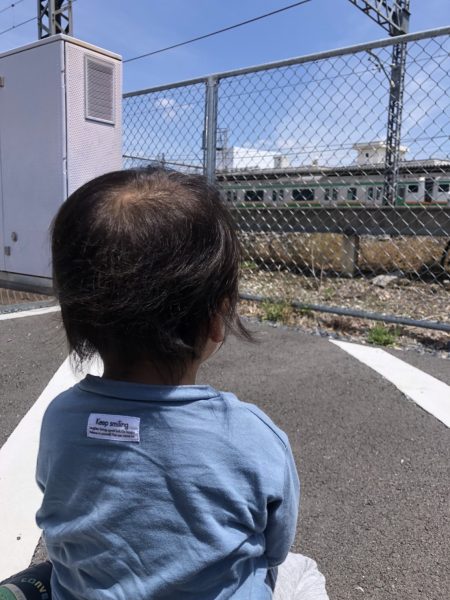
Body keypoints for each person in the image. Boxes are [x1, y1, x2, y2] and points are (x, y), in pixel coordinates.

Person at [3, 168, 329, 599]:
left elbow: (58, 502)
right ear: (217, 319)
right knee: (303, 571)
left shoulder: (61, 418)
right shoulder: (251, 436)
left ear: (78, 319)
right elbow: (275, 547)